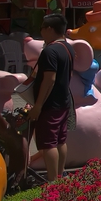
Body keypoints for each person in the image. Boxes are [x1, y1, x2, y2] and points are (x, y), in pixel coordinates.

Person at [24, 13, 73, 182]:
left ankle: (52, 181)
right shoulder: (68, 48)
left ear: (50, 29)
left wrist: (38, 105)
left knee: (48, 143)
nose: (41, 32)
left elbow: (49, 79)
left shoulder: (50, 51)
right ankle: (60, 175)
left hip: (50, 104)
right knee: (60, 140)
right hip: (64, 101)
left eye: (43, 28)